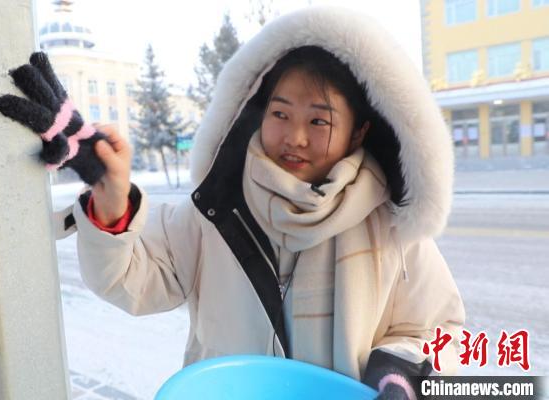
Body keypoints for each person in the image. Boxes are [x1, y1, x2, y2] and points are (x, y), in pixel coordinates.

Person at [46, 7, 465, 399]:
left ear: (359, 132)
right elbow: (129, 282)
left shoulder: (392, 231)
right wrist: (113, 206)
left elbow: (440, 329)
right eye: (280, 114)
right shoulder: (211, 212)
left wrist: (403, 373)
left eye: (319, 121)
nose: (294, 137)